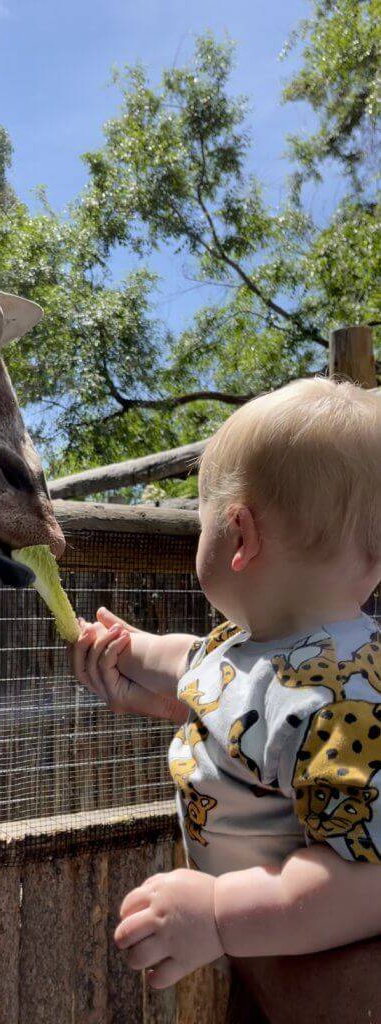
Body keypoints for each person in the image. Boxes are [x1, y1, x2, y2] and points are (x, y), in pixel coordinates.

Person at [72, 378, 381, 1003]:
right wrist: (126, 646)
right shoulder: (249, 646)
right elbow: (188, 658)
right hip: (275, 955)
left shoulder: (343, 700)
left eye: (199, 520)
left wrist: (218, 912)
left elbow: (366, 881)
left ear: (238, 536)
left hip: (327, 963)